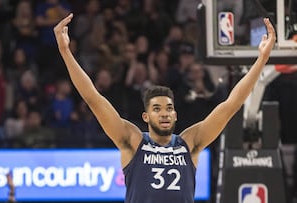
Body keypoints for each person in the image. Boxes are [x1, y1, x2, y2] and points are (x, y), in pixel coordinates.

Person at [53, 14, 275, 203]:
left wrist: (262, 59)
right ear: (146, 116)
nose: (164, 113)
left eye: (169, 108)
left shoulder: (189, 142)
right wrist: (65, 52)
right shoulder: (132, 140)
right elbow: (93, 98)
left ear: (175, 114)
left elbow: (231, 105)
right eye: (157, 109)